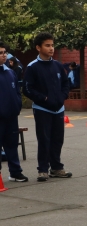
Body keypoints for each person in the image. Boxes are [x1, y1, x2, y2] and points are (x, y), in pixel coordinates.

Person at [22, 32, 71, 182]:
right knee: (44, 140)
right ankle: (42, 170)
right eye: (47, 45)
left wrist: (62, 97)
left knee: (58, 139)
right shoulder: (32, 67)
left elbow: (66, 83)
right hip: (42, 109)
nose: (51, 48)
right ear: (38, 47)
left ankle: (56, 168)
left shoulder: (57, 65)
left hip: (59, 109)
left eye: (52, 45)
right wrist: (44, 99)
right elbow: (27, 89)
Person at [0, 41, 27, 182]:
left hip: (11, 117)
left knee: (12, 145)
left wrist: (17, 106)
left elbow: (17, 91)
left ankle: (15, 172)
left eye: (4, 52)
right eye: (0, 53)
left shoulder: (10, 72)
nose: (4, 55)